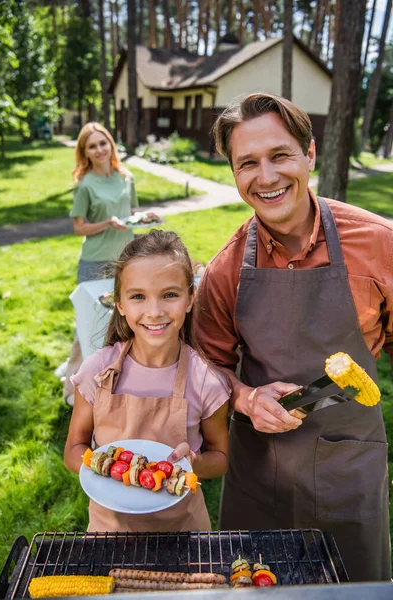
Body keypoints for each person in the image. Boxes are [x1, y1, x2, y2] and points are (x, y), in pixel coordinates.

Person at [195, 92, 393, 582]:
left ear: (309, 154)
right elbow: (204, 366)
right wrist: (243, 397)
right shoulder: (226, 270)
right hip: (260, 471)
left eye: (280, 155)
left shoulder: (378, 243)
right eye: (247, 163)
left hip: (349, 466)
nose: (266, 177)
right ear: (235, 175)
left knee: (355, 589)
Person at [64, 230, 230, 532]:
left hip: (183, 529)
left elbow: (220, 458)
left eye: (170, 295)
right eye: (138, 296)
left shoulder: (206, 381)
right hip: (109, 529)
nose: (154, 312)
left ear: (190, 299)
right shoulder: (96, 372)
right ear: (120, 304)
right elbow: (74, 448)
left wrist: (195, 462)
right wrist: (103, 469)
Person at [63, 122, 139, 405]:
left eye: (102, 143)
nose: (99, 150)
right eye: (92, 146)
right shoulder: (84, 184)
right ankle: (73, 389)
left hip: (125, 261)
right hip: (95, 263)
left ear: (111, 144)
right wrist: (108, 223)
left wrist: (143, 221)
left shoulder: (126, 177)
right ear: (85, 152)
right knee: (87, 325)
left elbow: (131, 214)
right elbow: (79, 228)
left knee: (123, 324)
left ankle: (114, 387)